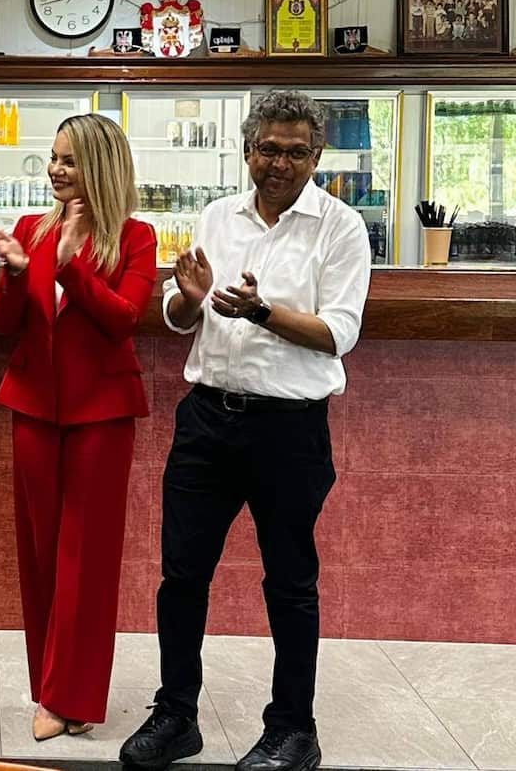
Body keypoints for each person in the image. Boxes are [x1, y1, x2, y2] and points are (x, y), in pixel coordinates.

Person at [121, 90, 370, 771]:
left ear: (317, 156)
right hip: (206, 420)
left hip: (289, 430)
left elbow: (337, 335)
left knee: (289, 583)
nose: (280, 163)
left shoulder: (340, 227)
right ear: (246, 150)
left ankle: (294, 730)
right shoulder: (216, 216)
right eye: (268, 149)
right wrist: (190, 300)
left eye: (295, 152)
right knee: (181, 576)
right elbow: (181, 315)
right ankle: (176, 715)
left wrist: (262, 312)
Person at [0, 114, 157, 742]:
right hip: (33, 404)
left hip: (102, 414)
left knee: (86, 558)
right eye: (53, 158)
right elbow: (7, 323)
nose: (56, 170)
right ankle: (49, 689)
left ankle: (72, 697)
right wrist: (12, 272)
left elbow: (123, 319)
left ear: (102, 167)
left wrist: (67, 267)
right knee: (40, 551)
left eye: (70, 160)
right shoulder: (33, 228)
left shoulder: (135, 237)